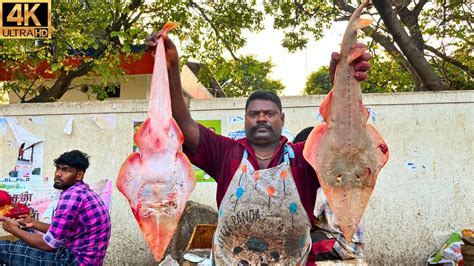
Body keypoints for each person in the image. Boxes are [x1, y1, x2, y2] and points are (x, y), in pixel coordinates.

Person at [146, 31, 371, 264]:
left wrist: (342, 81)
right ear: (245, 119)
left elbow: (345, 139)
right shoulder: (225, 153)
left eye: (269, 113)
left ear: (282, 119)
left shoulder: (303, 157)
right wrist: (171, 66)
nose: (261, 118)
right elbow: (182, 123)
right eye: (254, 114)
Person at [0, 150, 111, 265]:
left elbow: (49, 245)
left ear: (79, 175)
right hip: (86, 260)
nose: (58, 174)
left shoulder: (72, 196)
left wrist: (13, 230)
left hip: (72, 261)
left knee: (2, 247)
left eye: (65, 170)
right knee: (27, 235)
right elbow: (61, 232)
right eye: (58, 168)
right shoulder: (84, 191)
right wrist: (33, 223)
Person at [293, 127, 365, 262]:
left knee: (293, 244)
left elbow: (304, 218)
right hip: (346, 243)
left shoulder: (324, 183)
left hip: (340, 246)